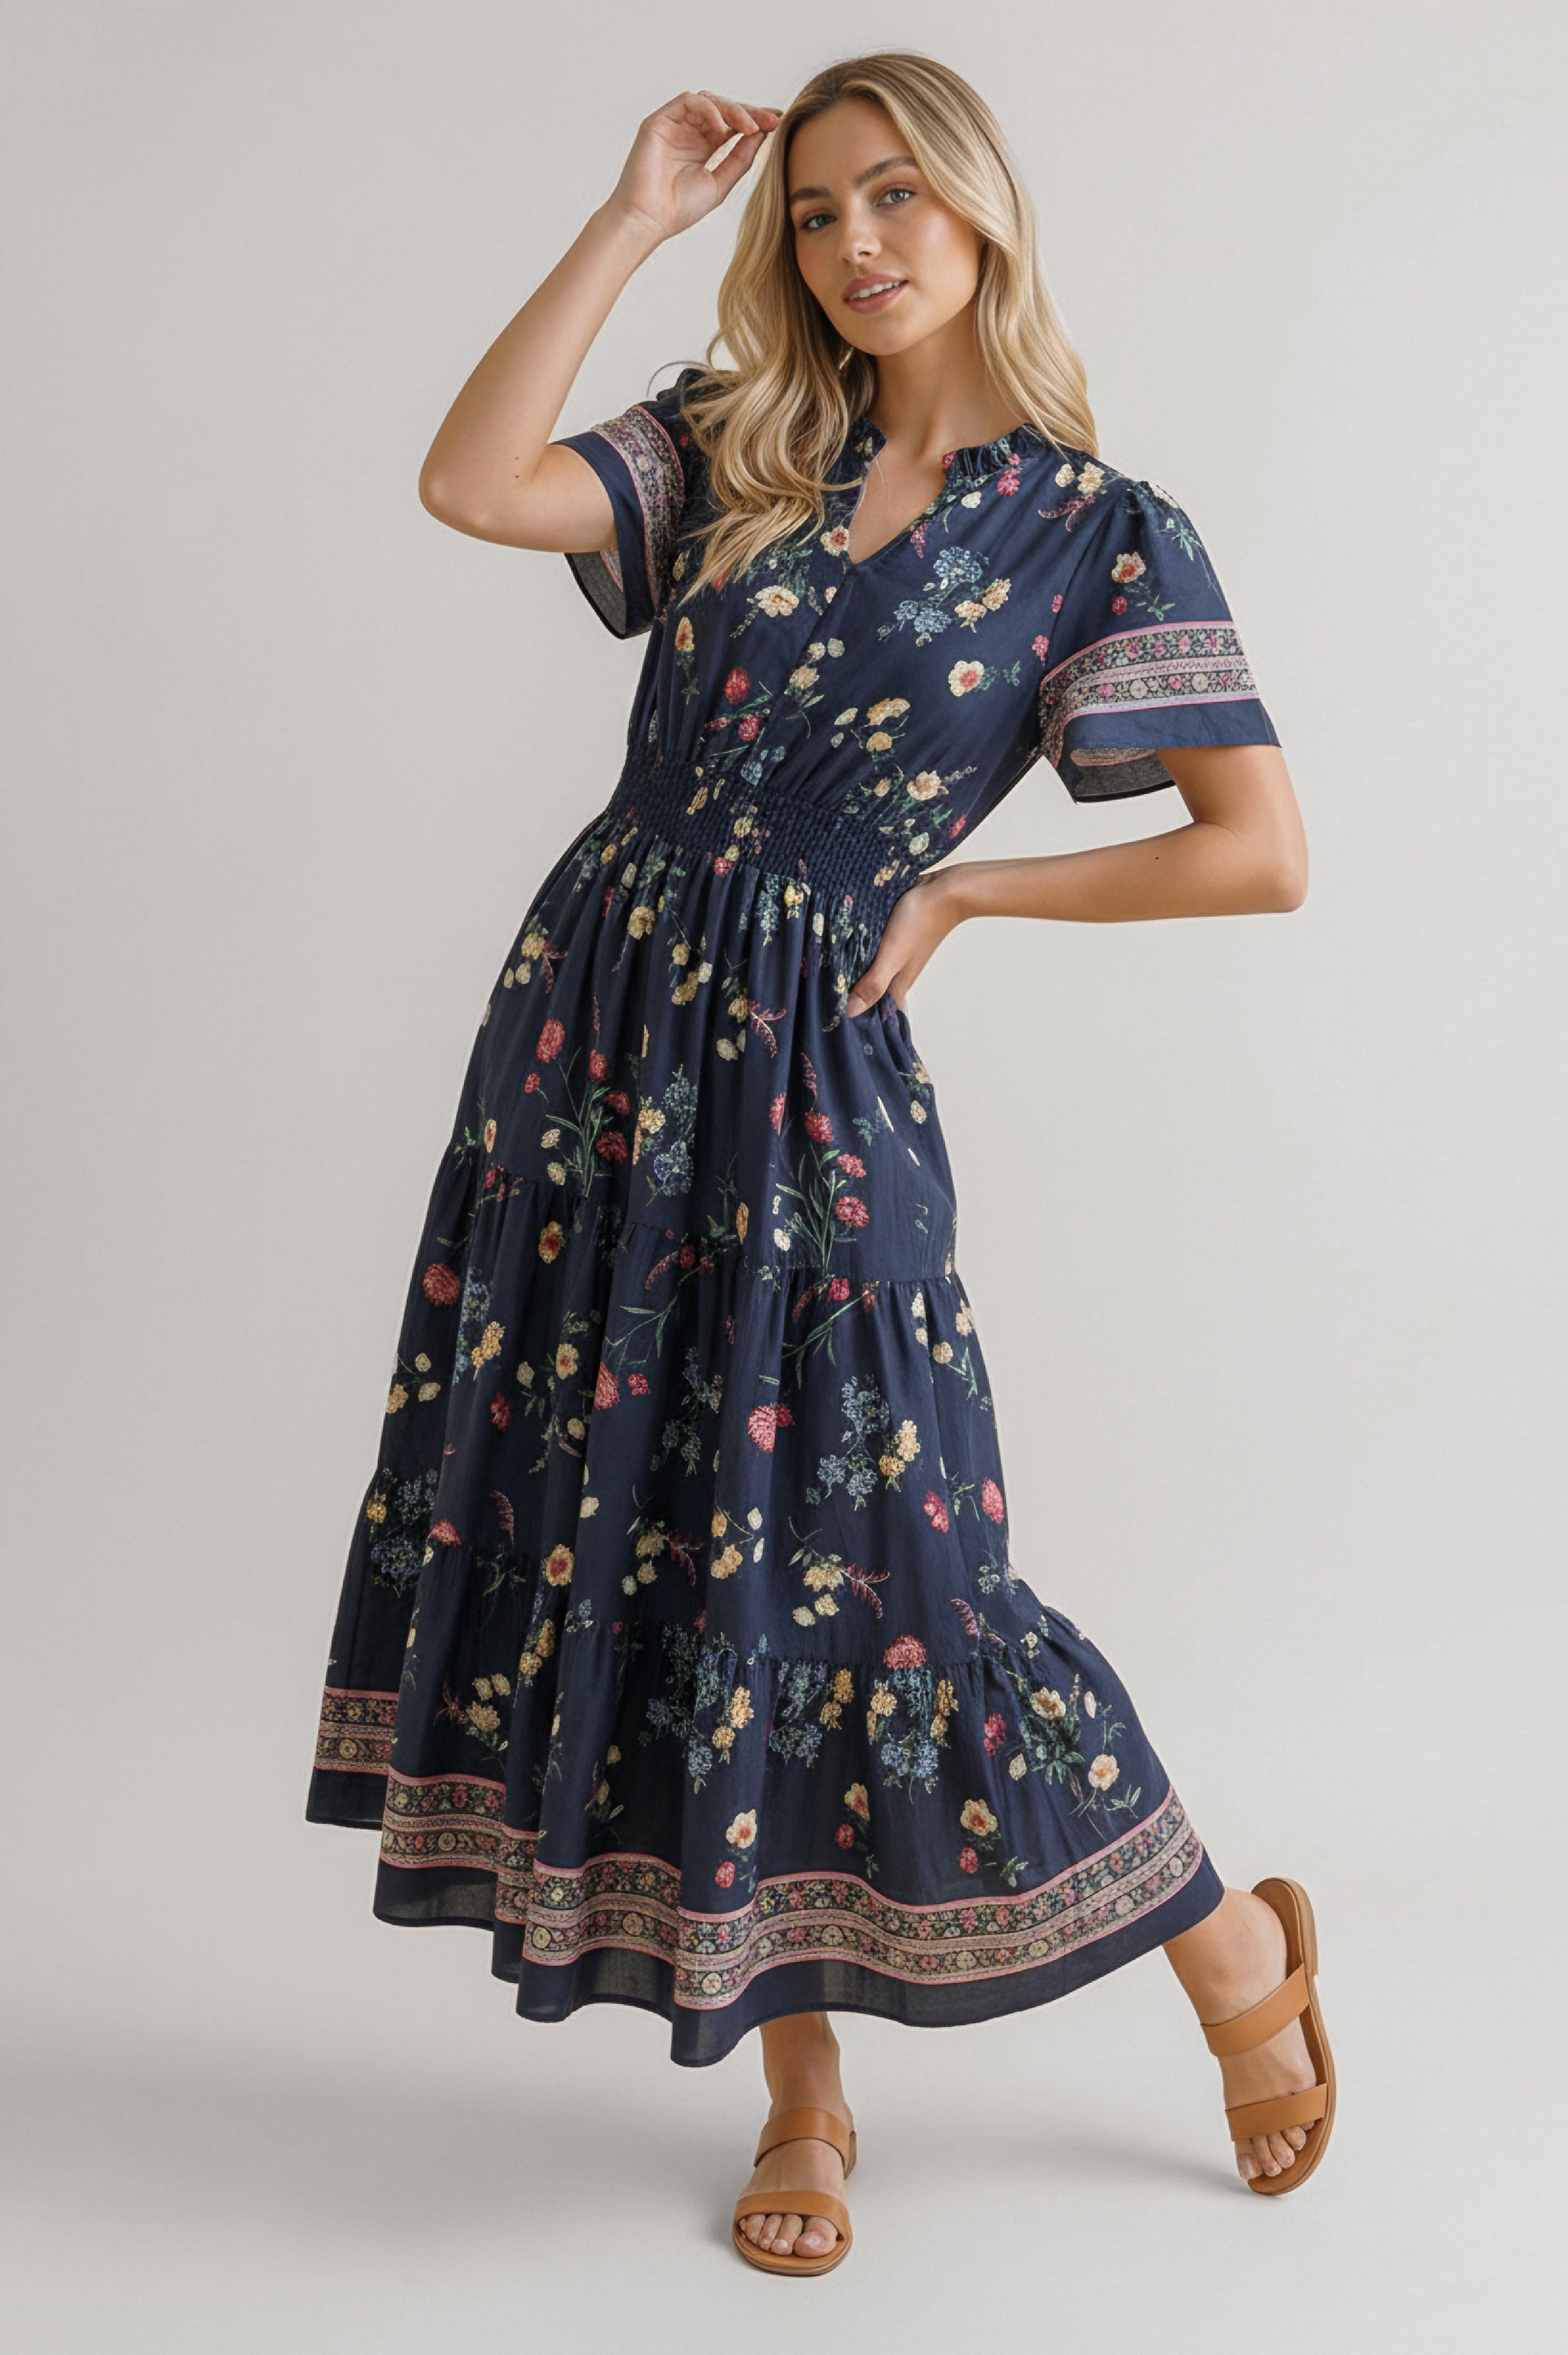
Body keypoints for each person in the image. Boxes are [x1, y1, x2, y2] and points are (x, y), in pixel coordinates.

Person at [305, 55, 1333, 2275]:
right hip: (594, 1033)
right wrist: (634, 219)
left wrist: (966, 897)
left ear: (979, 214)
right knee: (696, 1557)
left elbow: (1258, 856)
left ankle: (1235, 1952)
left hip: (811, 1073)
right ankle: (805, 2096)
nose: (856, 245)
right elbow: (473, 484)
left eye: (897, 201)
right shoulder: (742, 451)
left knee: (904, 1581)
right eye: (820, 214)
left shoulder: (1098, 531)